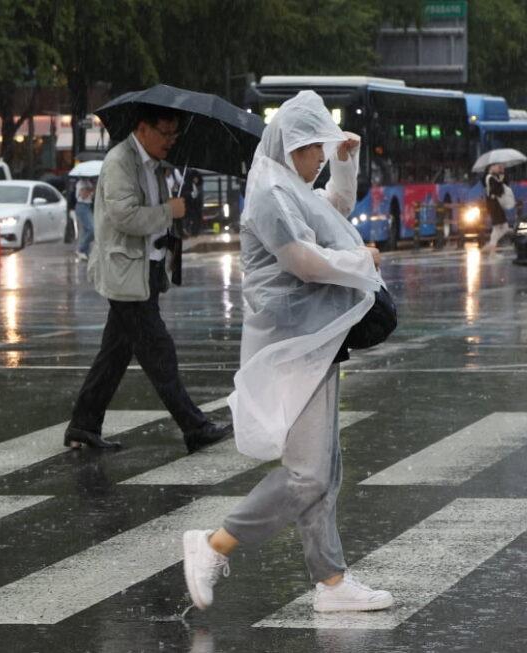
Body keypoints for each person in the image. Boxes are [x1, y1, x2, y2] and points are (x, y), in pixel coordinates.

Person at [182, 91, 393, 613]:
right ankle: (213, 545)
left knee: (325, 469)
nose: (320, 156)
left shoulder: (287, 188)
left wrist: (346, 165)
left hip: (313, 336)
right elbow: (303, 260)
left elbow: (333, 210)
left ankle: (332, 583)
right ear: (291, 144)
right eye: (315, 148)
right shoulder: (271, 194)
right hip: (292, 344)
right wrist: (360, 260)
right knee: (309, 475)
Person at [64, 104, 231, 454]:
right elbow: (125, 216)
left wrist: (172, 218)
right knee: (159, 353)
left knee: (115, 354)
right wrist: (169, 210)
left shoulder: (154, 165)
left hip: (146, 272)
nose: (171, 140)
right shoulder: (120, 162)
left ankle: (83, 425)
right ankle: (194, 427)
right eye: (165, 133)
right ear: (143, 129)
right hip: (126, 276)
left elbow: (154, 216)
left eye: (175, 133)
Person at [481, 163, 511, 255]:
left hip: (496, 204)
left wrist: (502, 175)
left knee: (499, 227)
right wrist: (500, 181)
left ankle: (491, 248)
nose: (498, 168)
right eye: (497, 166)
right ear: (491, 167)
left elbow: (505, 186)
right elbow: (497, 190)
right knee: (500, 227)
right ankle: (491, 248)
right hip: (494, 204)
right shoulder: (489, 178)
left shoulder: (494, 177)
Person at [74, 175, 96, 260]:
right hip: (81, 206)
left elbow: (92, 196)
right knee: (92, 228)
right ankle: (81, 249)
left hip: (88, 206)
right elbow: (83, 196)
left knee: (87, 230)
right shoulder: (80, 183)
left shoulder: (88, 183)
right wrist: (90, 190)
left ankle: (85, 251)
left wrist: (93, 188)